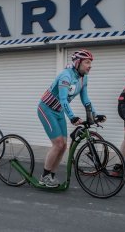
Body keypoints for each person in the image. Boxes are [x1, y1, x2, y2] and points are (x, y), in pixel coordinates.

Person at [37, 49, 105, 187]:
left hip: (59, 111)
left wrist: (95, 114)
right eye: (87, 62)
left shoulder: (83, 77)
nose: (90, 65)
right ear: (78, 62)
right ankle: (43, 177)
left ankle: (51, 176)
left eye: (90, 62)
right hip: (46, 109)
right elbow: (63, 99)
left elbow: (85, 99)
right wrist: (72, 117)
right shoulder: (65, 76)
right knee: (57, 144)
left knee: (63, 146)